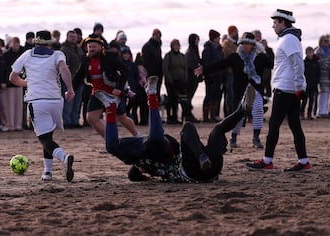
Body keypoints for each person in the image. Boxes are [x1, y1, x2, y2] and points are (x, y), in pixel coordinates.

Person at [101, 76, 253, 182]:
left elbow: (133, 174)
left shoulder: (150, 164)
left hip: (210, 172)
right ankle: (149, 96)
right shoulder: (154, 164)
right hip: (195, 170)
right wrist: (141, 171)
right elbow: (133, 174)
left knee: (216, 131)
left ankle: (241, 110)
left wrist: (140, 170)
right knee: (190, 127)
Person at [246, 9, 311, 172]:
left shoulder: (289, 39)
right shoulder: (289, 38)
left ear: (284, 23)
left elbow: (298, 63)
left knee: (274, 125)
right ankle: (303, 161)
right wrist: (299, 87)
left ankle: (267, 160)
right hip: (290, 88)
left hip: (286, 89)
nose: (273, 25)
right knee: (295, 126)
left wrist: (299, 87)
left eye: (275, 22)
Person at [9, 30, 75, 182]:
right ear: (50, 43)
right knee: (49, 135)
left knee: (44, 139)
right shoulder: (58, 54)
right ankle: (47, 172)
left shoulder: (27, 54)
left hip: (38, 101)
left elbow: (12, 77)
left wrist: (27, 83)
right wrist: (70, 89)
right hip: (56, 101)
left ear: (36, 42)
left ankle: (64, 157)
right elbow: (64, 69)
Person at [196, 32, 272, 149]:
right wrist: (204, 69)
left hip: (255, 89)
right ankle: (234, 137)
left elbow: (272, 64)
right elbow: (220, 65)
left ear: (253, 45)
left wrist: (265, 51)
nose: (245, 46)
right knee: (239, 115)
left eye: (248, 44)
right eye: (243, 43)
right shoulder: (235, 57)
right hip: (241, 91)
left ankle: (256, 138)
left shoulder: (260, 57)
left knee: (257, 110)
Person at [73, 34, 140, 141]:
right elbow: (79, 75)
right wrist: (71, 90)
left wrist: (119, 87)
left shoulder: (110, 57)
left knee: (121, 117)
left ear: (100, 47)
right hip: (98, 93)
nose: (91, 49)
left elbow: (125, 70)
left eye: (94, 47)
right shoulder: (86, 59)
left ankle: (136, 134)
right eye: (89, 47)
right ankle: (110, 140)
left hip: (113, 92)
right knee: (91, 118)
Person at [163, 39, 197, 124]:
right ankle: (171, 117)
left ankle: (185, 116)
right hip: (171, 81)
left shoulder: (182, 56)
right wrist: (170, 79)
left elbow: (185, 68)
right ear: (172, 46)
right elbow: (165, 68)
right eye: (174, 45)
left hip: (181, 82)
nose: (176, 47)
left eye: (177, 45)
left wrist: (185, 79)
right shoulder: (168, 56)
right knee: (172, 100)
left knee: (183, 99)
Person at [60, 30, 85, 129]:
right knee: (68, 101)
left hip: (79, 79)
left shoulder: (79, 49)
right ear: (67, 37)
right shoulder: (64, 50)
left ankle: (75, 120)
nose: (73, 38)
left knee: (77, 102)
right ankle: (67, 121)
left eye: (74, 37)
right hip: (68, 79)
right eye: (71, 37)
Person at [201, 29, 224, 122]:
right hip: (210, 76)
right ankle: (206, 116)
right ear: (214, 38)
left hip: (218, 75)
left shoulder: (219, 49)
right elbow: (205, 63)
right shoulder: (207, 49)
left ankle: (213, 115)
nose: (219, 39)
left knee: (216, 96)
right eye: (218, 37)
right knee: (209, 95)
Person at [3, 36, 25, 131]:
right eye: (14, 43)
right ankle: (10, 124)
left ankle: (18, 125)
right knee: (9, 105)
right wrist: (5, 81)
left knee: (19, 105)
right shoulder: (6, 55)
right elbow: (4, 70)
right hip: (9, 83)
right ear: (11, 44)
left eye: (17, 43)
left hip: (19, 82)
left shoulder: (22, 54)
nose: (16, 45)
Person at [141, 29, 163, 103]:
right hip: (150, 74)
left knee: (157, 93)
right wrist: (148, 72)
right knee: (149, 94)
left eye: (159, 36)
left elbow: (159, 59)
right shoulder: (147, 46)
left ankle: (155, 111)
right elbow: (145, 61)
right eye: (156, 35)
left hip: (158, 73)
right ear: (153, 35)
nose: (157, 37)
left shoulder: (158, 46)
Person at [221, 25, 239, 116]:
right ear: (231, 33)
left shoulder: (238, 43)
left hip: (238, 73)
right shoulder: (226, 43)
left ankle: (235, 111)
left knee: (236, 93)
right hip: (230, 72)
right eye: (235, 32)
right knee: (229, 93)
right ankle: (229, 112)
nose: (237, 33)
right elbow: (227, 58)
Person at [301, 46, 321, 120]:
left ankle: (309, 114)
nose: (310, 54)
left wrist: (317, 81)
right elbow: (302, 73)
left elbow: (318, 73)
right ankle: (302, 113)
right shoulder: (304, 62)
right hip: (306, 84)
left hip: (314, 84)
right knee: (304, 99)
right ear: (306, 53)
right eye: (308, 52)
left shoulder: (316, 62)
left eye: (311, 52)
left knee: (312, 99)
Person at [185, 33, 201, 119]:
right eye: (196, 40)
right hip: (190, 77)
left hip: (194, 77)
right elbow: (190, 65)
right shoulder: (190, 52)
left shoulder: (194, 51)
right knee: (188, 96)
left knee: (189, 97)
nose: (197, 41)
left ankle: (188, 114)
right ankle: (188, 114)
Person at [314, 35, 330, 118]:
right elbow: (320, 63)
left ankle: (326, 110)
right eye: (325, 41)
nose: (327, 43)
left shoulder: (328, 51)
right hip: (322, 75)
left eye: (328, 41)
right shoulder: (319, 51)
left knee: (327, 93)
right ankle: (321, 111)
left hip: (328, 75)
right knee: (323, 92)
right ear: (321, 42)